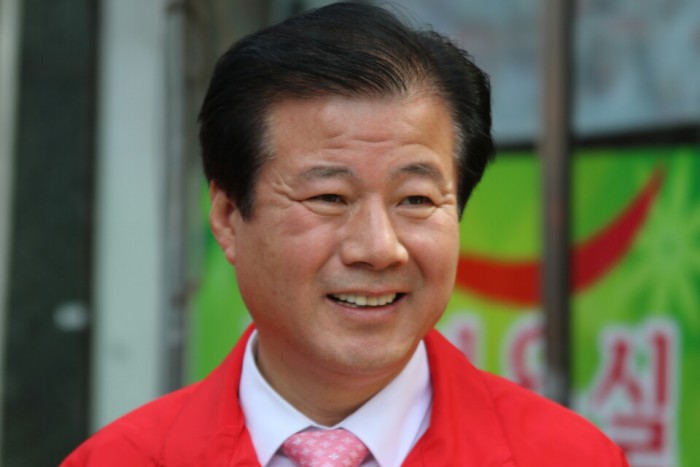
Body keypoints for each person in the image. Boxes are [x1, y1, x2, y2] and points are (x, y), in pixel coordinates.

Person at [63, 2, 629, 466]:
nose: (379, 248)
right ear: (229, 216)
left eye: (415, 200)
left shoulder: (569, 458)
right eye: (329, 198)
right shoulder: (119, 460)